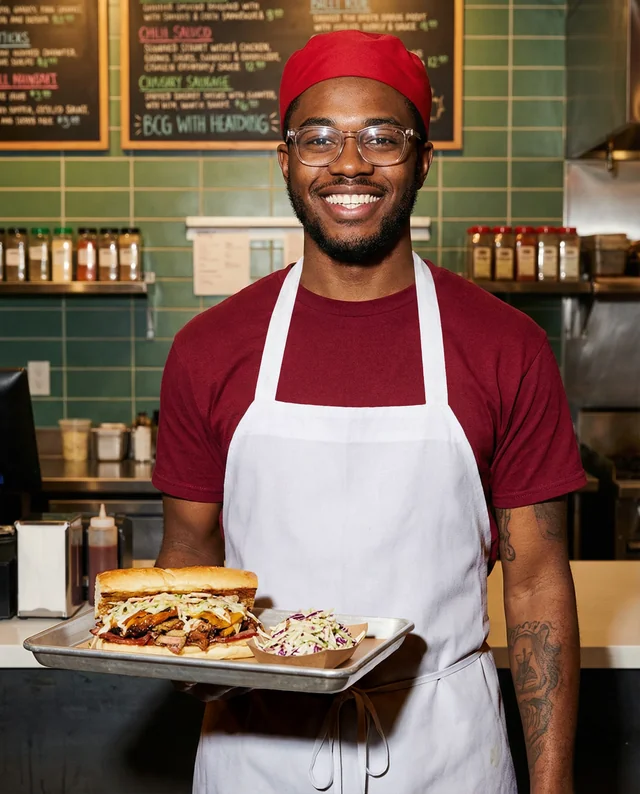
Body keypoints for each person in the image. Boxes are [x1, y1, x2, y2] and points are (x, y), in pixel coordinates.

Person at [153, 30, 585, 794]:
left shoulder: (505, 345)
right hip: (258, 750)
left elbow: (538, 586)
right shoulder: (208, 347)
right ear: (285, 161)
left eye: (382, 137)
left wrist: (553, 788)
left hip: (445, 752)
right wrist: (186, 654)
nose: (349, 164)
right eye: (318, 138)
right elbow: (188, 550)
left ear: (423, 159)